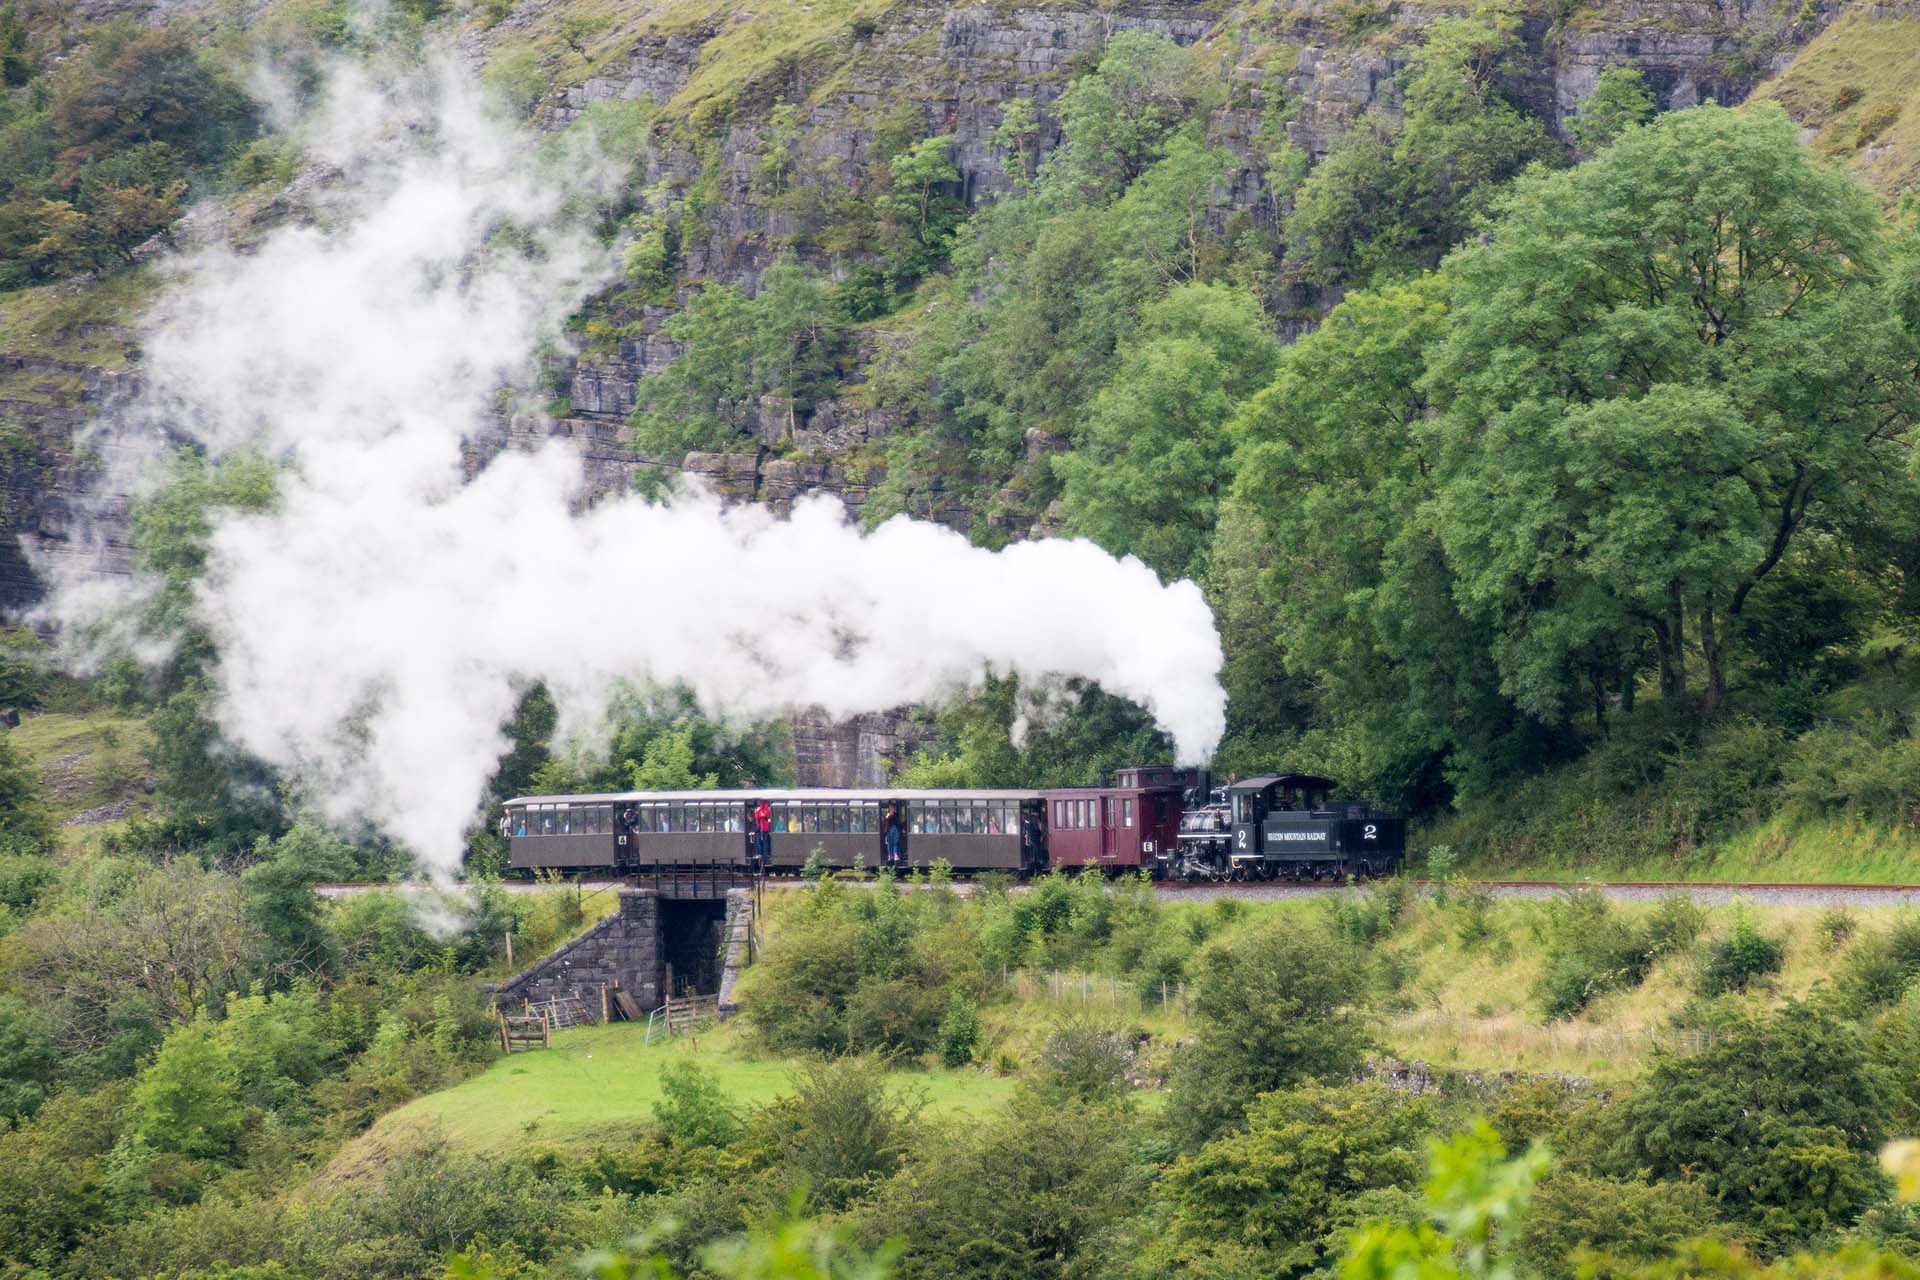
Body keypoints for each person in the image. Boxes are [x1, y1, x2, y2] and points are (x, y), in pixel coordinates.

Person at [753, 798, 772, 871]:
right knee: (759, 841)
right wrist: (762, 814)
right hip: (760, 828)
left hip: (765, 829)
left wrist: (762, 814)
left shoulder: (766, 808)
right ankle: (760, 853)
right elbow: (757, 816)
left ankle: (765, 853)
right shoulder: (759, 809)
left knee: (765, 841)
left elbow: (765, 814)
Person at [883, 803, 903, 867]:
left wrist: (892, 815)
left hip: (895, 830)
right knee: (889, 843)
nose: (891, 809)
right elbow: (884, 822)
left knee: (895, 843)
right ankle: (890, 855)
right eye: (890, 808)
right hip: (889, 831)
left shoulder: (896, 814)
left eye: (892, 808)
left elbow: (898, 822)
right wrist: (888, 816)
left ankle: (895, 855)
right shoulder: (887, 815)